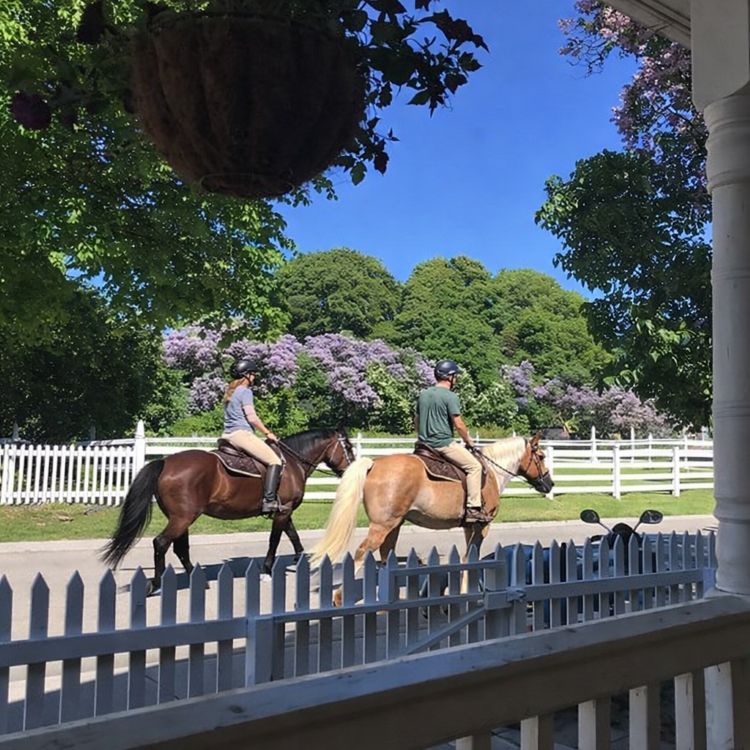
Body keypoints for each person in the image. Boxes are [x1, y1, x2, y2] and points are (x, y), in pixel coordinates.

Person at [415, 359, 490, 523]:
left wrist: (421, 435)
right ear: (449, 377)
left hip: (423, 445)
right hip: (442, 444)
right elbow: (459, 424)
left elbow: (417, 420)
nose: (456, 379)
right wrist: (469, 441)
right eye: (455, 376)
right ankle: (473, 508)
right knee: (475, 467)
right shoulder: (450, 396)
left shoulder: (423, 394)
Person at [221, 358, 283, 516]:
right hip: (242, 434)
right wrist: (268, 433)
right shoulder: (245, 392)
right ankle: (269, 501)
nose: (254, 377)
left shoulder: (230, 391)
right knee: (275, 461)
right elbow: (252, 418)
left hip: (227, 435)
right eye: (253, 374)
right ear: (247, 375)